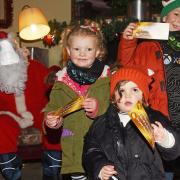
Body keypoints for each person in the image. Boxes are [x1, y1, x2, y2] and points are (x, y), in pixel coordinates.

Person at [117, 1, 180, 178]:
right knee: (162, 165)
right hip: (161, 118)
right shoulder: (148, 47)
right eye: (175, 14)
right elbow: (127, 68)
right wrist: (129, 41)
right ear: (164, 17)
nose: (179, 20)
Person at [83, 67, 180, 180]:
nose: (127, 95)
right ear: (114, 97)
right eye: (122, 90)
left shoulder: (154, 118)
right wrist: (99, 166)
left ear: (143, 96)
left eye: (134, 90)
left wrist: (165, 138)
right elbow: (91, 149)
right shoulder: (102, 123)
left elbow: (174, 151)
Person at [44, 25, 110, 179]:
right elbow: (53, 108)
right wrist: (52, 119)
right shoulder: (61, 82)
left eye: (88, 49)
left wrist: (97, 107)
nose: (82, 53)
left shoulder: (106, 79)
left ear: (97, 51)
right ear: (68, 51)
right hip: (72, 140)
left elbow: (114, 108)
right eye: (77, 49)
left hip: (100, 144)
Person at [0, 31, 61, 180]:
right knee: (2, 126)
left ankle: (51, 170)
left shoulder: (34, 66)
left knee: (54, 122)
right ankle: (11, 172)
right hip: (10, 116)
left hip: (38, 112)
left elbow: (50, 83)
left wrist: (56, 76)